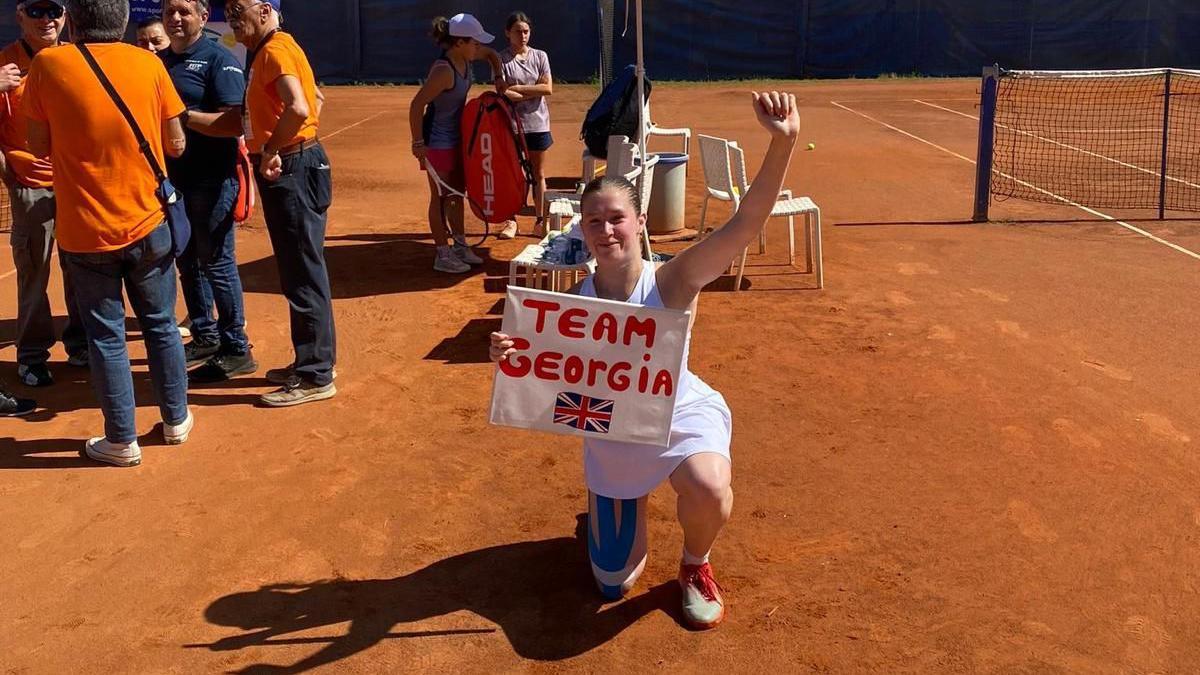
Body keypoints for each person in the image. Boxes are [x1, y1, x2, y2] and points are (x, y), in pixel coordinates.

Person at [490, 92, 800, 630]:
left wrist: (783, 142)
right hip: (614, 429)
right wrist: (513, 354)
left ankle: (695, 565)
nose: (605, 230)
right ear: (580, 232)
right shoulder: (572, 306)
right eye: (593, 222)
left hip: (677, 412)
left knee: (708, 488)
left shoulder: (673, 280)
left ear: (639, 224)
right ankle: (609, 495)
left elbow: (744, 224)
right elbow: (551, 375)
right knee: (612, 583)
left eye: (616, 219)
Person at [24, 0, 193, 466]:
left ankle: (122, 439)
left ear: (74, 21)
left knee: (106, 337)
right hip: (149, 220)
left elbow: (37, 145)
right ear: (121, 21)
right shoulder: (149, 62)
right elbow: (176, 141)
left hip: (85, 229)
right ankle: (176, 419)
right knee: (161, 324)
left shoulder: (48, 64)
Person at [226, 0, 336, 407]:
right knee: (303, 268)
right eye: (228, 9)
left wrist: (274, 148)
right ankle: (315, 360)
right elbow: (318, 98)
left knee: (301, 271)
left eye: (240, 9)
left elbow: (301, 106)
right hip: (299, 160)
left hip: (289, 167)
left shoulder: (272, 50)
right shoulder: (277, 47)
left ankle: (315, 375)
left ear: (264, 10)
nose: (233, 17)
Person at [160, 0, 256, 383]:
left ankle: (236, 348)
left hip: (212, 179)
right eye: (169, 12)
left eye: (184, 11)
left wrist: (183, 116)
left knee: (216, 261)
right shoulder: (159, 62)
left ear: (202, 17)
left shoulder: (219, 58)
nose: (176, 18)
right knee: (185, 258)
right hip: (173, 181)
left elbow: (235, 121)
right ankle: (205, 334)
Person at [1, 0, 87, 388]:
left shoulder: (79, 59)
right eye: (35, 11)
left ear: (65, 16)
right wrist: (9, 173)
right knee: (34, 272)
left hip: (80, 184)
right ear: (19, 16)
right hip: (31, 185)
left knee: (82, 268)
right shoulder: (4, 65)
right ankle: (32, 355)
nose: (46, 19)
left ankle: (81, 344)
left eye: (53, 10)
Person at [408, 13, 505, 274]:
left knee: (455, 197)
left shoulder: (467, 55)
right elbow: (417, 105)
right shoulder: (443, 71)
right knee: (439, 199)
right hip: (437, 145)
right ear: (460, 42)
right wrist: (418, 143)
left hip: (459, 142)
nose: (478, 47)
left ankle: (460, 245)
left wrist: (498, 76)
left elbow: (492, 54)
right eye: (474, 43)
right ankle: (442, 253)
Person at [497, 11, 553, 239]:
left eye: (526, 31)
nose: (523, 36)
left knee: (537, 174)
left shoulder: (540, 56)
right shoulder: (500, 59)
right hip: (511, 126)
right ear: (507, 33)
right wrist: (532, 90)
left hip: (538, 124)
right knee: (513, 176)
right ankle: (511, 221)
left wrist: (518, 89)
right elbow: (503, 93)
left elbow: (547, 89)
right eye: (518, 31)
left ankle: (540, 222)